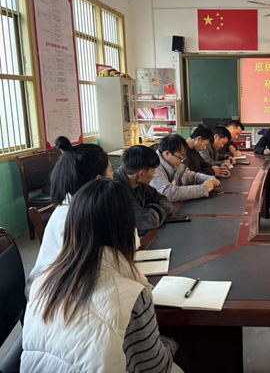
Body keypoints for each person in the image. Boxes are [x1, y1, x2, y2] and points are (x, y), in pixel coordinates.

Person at [22, 179, 183, 373]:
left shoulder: (42, 281)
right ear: (126, 228)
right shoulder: (131, 297)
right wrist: (171, 342)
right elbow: (156, 368)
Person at [25, 136, 114, 298]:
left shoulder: (81, 204)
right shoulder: (71, 218)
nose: (113, 176)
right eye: (110, 171)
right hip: (51, 294)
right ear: (98, 180)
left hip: (70, 284)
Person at [114, 145, 173, 235]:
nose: (154, 173)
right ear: (141, 173)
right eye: (153, 170)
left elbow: (167, 203)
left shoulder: (139, 183)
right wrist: (150, 211)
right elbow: (149, 221)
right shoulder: (116, 191)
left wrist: (148, 210)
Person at [150, 133, 219, 202]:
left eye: (183, 157)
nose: (182, 161)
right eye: (179, 157)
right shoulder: (153, 169)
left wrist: (210, 179)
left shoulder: (176, 165)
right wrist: (203, 189)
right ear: (167, 153)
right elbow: (168, 193)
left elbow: (193, 176)